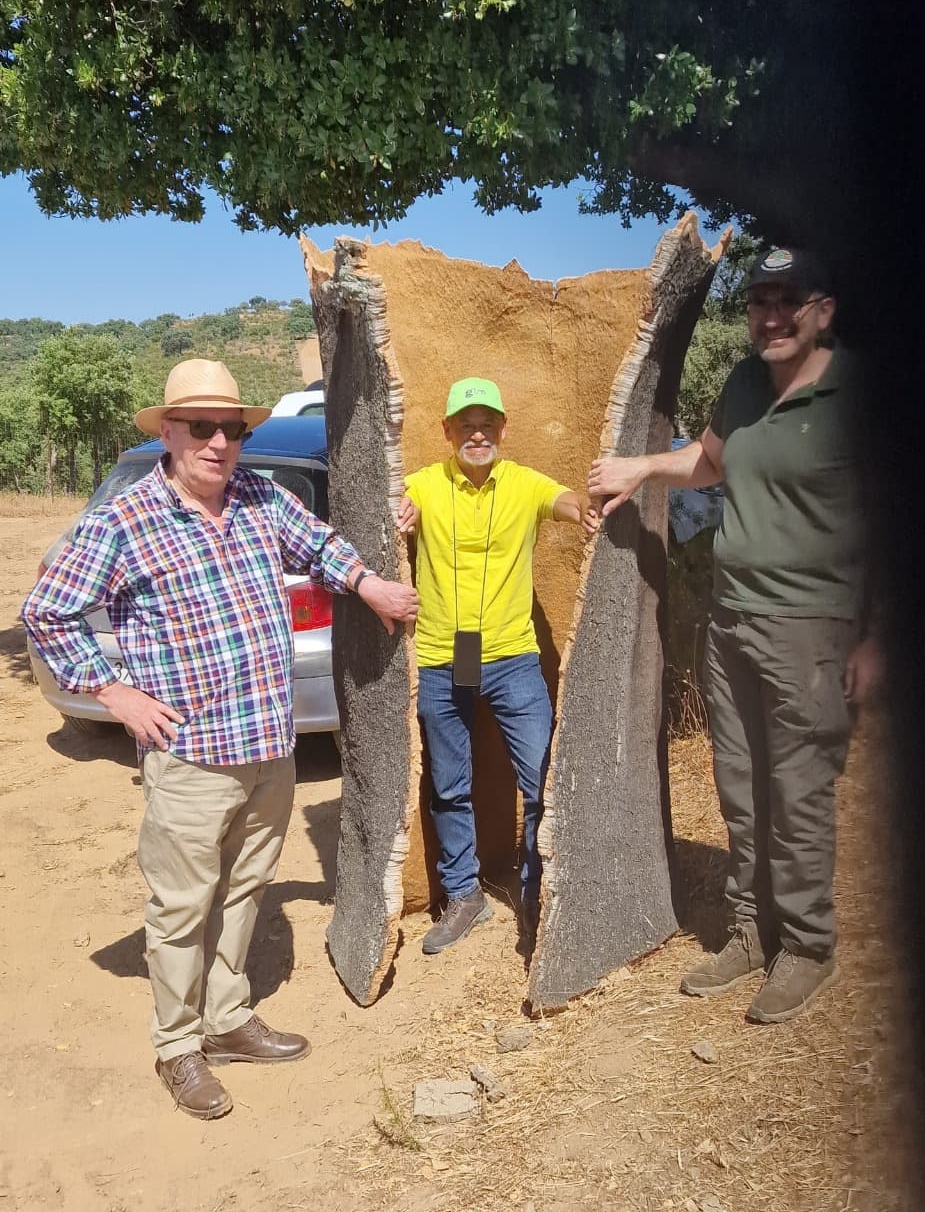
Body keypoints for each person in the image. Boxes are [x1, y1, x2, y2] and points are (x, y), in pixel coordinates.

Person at [22, 359, 418, 1118]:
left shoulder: (260, 497)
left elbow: (320, 545)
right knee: (180, 908)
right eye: (199, 427)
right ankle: (178, 1047)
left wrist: (367, 584)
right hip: (191, 756)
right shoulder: (123, 520)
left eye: (230, 428)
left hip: (268, 744)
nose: (216, 442)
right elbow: (47, 612)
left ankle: (228, 1019)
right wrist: (113, 691)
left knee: (245, 890)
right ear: (168, 432)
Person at [588, 248, 880, 1024]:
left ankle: (809, 946)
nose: (772, 316)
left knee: (800, 795)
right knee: (744, 792)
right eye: (759, 302)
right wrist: (641, 468)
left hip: (813, 628)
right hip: (733, 620)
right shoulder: (746, 384)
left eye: (790, 300)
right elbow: (708, 465)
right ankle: (754, 931)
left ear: (825, 309)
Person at [397, 378, 598, 955]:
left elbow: (565, 503)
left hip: (513, 658)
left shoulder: (525, 484)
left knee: (541, 782)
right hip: (441, 656)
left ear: (503, 430)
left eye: (487, 423)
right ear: (447, 432)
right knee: (448, 784)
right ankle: (465, 896)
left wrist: (586, 508)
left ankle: (538, 893)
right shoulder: (424, 485)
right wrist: (398, 515)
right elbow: (395, 506)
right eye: (466, 424)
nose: (477, 433)